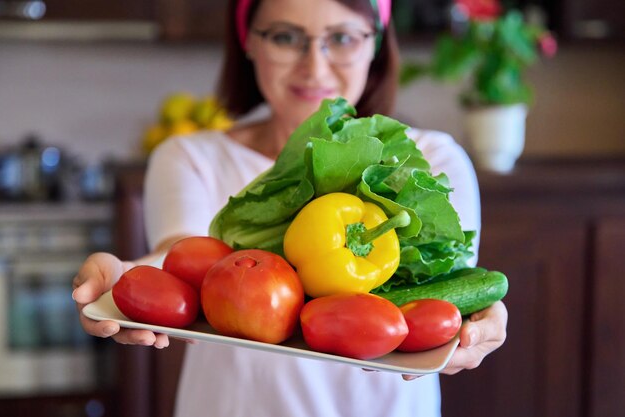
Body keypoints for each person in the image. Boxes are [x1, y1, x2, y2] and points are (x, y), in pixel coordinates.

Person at [72, 0, 508, 416]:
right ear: (248, 40)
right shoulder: (188, 156)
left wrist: (476, 319)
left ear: (374, 43)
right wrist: (129, 277)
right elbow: (181, 257)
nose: (314, 66)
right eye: (285, 37)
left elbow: (451, 283)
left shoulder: (433, 160)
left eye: (342, 38)